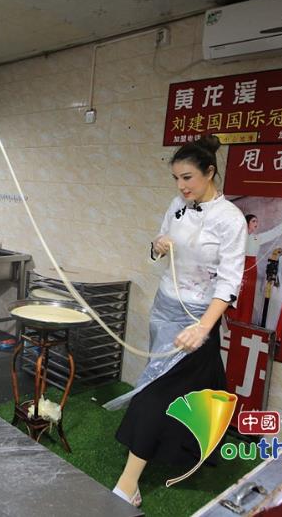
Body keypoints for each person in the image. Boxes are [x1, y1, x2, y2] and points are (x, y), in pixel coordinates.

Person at [110, 135, 247, 507]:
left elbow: (230, 281)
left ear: (210, 172)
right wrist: (158, 245)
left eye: (187, 177)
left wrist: (203, 327)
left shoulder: (230, 219)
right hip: (164, 309)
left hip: (197, 319)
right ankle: (186, 450)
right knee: (182, 388)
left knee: (155, 393)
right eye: (176, 179)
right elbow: (159, 244)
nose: (181, 186)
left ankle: (128, 484)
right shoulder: (177, 205)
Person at [229, 212, 282, 325]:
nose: (256, 223)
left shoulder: (256, 238)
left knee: (247, 295)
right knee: (235, 293)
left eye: (257, 221)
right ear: (247, 223)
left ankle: (243, 320)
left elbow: (274, 232)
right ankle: (230, 317)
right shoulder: (237, 236)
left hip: (251, 268)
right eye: (253, 221)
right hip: (238, 266)